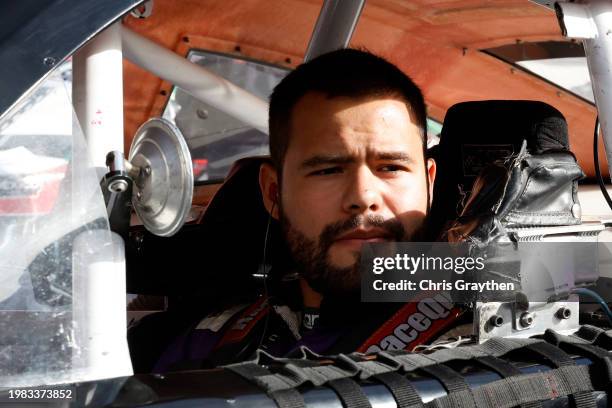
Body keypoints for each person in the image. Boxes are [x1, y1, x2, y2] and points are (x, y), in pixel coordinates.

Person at [152, 49, 464, 372]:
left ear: (429, 184)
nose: (363, 195)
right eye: (328, 170)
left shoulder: (487, 326)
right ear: (274, 192)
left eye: (391, 167)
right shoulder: (212, 343)